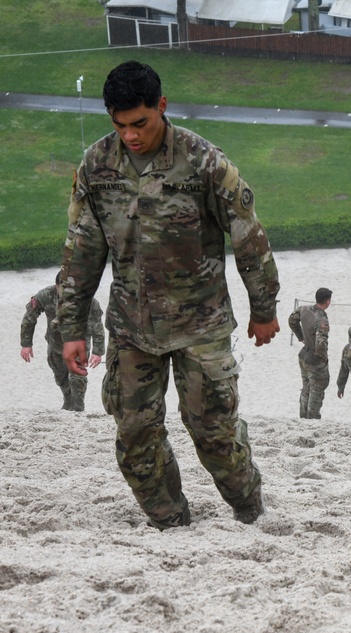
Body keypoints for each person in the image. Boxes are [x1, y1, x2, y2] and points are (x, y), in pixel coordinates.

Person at [58, 61, 280, 529]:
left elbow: (248, 238)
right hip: (132, 327)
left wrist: (264, 309)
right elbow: (81, 251)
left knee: (212, 431)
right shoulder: (96, 166)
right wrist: (71, 327)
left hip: (201, 324)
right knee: (135, 434)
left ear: (161, 106)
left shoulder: (205, 162)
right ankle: (170, 521)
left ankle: (248, 506)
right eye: (119, 125)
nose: (131, 135)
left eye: (140, 123)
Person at [20, 276, 105, 411]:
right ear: (56, 286)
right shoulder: (45, 295)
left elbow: (97, 326)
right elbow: (29, 318)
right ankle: (68, 400)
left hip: (79, 344)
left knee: (77, 376)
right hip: (55, 344)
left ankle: (78, 408)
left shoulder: (87, 300)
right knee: (60, 376)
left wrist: (98, 351)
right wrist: (26, 344)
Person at [288, 288, 332, 419]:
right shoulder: (322, 319)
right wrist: (323, 359)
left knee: (306, 387)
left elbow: (291, 320)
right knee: (317, 389)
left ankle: (303, 417)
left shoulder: (304, 309)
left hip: (304, 354)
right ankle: (312, 419)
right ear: (328, 301)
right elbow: (320, 344)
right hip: (314, 357)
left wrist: (300, 336)